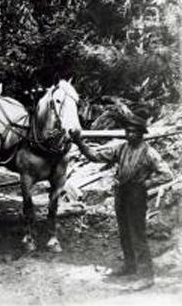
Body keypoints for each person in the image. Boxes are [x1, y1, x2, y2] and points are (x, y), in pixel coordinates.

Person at [70, 110, 173, 291]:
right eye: (127, 131)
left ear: (141, 134)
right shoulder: (121, 148)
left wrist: (147, 182)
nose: (130, 134)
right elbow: (95, 156)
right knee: (124, 232)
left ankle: (146, 276)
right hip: (122, 193)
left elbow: (167, 174)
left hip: (136, 195)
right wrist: (79, 143)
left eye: (134, 131)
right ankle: (129, 266)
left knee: (137, 235)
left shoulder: (149, 153)